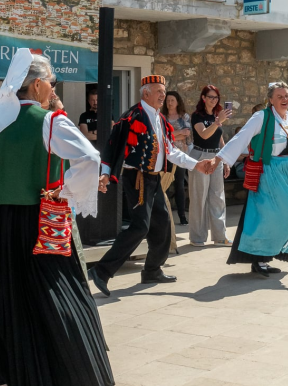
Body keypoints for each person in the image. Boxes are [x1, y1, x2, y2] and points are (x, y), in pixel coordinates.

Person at [0, 49, 113, 386]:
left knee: (0, 311)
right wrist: (65, 194)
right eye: (53, 84)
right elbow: (91, 159)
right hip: (39, 222)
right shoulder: (49, 121)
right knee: (62, 299)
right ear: (38, 85)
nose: (53, 91)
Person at [89, 76, 217, 295]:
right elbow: (112, 146)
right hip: (137, 178)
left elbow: (171, 151)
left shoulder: (160, 119)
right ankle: (101, 271)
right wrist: (105, 174)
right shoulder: (131, 117)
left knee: (163, 223)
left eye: (163, 91)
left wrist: (196, 165)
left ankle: (152, 270)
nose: (162, 95)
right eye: (158, 91)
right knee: (141, 227)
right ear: (145, 93)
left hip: (154, 179)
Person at [216, 82, 288, 276]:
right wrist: (223, 159)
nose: (285, 99)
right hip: (269, 172)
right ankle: (258, 258)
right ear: (270, 100)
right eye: (280, 96)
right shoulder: (261, 117)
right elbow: (242, 138)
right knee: (270, 216)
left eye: (287, 96)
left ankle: (265, 257)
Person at [189, 85, 232, 246]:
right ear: (204, 98)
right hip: (200, 156)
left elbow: (219, 139)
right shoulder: (197, 116)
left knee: (218, 197)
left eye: (216, 98)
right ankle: (197, 237)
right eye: (211, 97)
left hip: (216, 157)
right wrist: (218, 121)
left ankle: (220, 236)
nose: (214, 100)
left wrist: (225, 160)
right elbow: (204, 134)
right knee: (199, 198)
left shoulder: (216, 115)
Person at [162, 90, 192, 226]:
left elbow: (187, 133)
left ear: (177, 101)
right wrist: (178, 133)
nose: (169, 103)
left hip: (180, 154)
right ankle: (166, 216)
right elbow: (163, 136)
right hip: (165, 155)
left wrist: (172, 135)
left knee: (179, 185)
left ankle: (182, 216)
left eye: (172, 100)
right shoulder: (162, 117)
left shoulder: (184, 116)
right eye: (167, 100)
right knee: (165, 185)